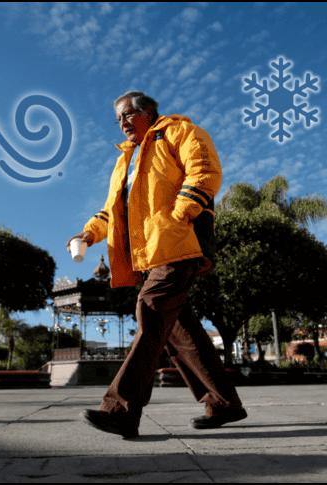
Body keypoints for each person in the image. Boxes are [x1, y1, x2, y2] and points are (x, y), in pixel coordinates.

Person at [68, 91, 245, 439]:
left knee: (149, 312)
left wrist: (181, 215)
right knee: (182, 335)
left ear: (148, 112)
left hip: (177, 245)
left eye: (127, 115)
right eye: (117, 119)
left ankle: (120, 410)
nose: (122, 123)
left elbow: (205, 170)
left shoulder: (180, 132)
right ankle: (225, 403)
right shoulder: (126, 161)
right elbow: (112, 211)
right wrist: (88, 235)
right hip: (152, 255)